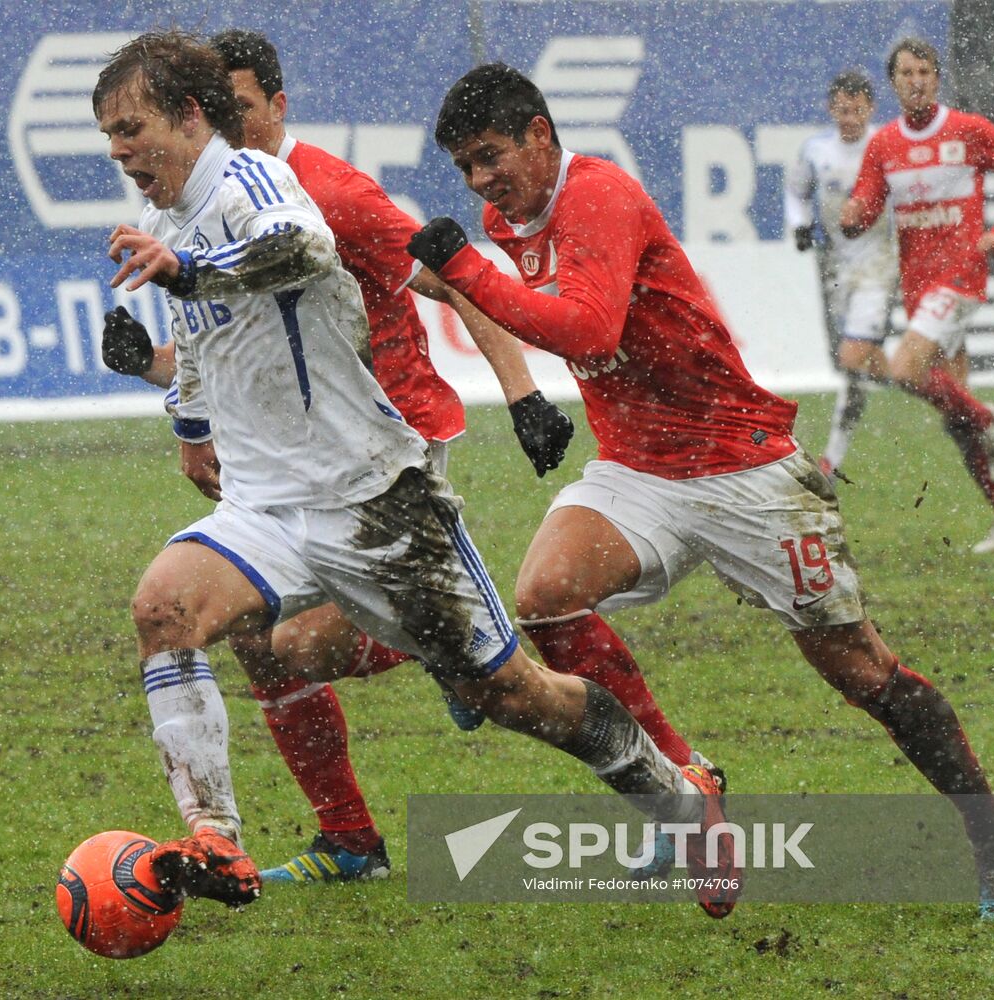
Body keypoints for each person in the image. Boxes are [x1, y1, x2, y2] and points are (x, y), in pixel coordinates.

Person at [92, 30, 740, 920]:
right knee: (164, 611)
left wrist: (519, 393)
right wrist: (187, 414)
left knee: (515, 695)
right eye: (109, 136)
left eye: (130, 128)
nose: (120, 151)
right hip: (268, 507)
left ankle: (675, 795)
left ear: (189, 116)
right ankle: (217, 841)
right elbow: (209, 347)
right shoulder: (167, 226)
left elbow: (300, 252)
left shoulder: (258, 182)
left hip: (373, 499)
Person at [407, 61, 994, 920]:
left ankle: (992, 833)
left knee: (862, 673)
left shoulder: (600, 196)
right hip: (640, 465)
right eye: (464, 168)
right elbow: (515, 301)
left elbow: (590, 326)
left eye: (491, 157)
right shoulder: (503, 219)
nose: (481, 182)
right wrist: (520, 388)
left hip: (744, 466)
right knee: (547, 596)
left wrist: (467, 275)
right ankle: (688, 786)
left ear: (541, 136)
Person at [840, 37, 994, 554]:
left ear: (936, 77)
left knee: (906, 368)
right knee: (954, 419)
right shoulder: (884, 145)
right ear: (893, 83)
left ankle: (990, 418)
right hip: (919, 289)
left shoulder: (968, 130)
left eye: (924, 71)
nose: (916, 80)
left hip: (962, 277)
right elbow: (865, 207)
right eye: (906, 73)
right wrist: (852, 213)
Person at [784, 71, 898, 480]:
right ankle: (936, 387)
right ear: (831, 109)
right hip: (836, 267)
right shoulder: (816, 150)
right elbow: (796, 190)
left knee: (853, 359)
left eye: (858, 109)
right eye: (843, 109)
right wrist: (800, 223)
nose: (850, 118)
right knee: (853, 361)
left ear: (871, 108)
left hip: (880, 266)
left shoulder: (886, 144)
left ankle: (831, 460)